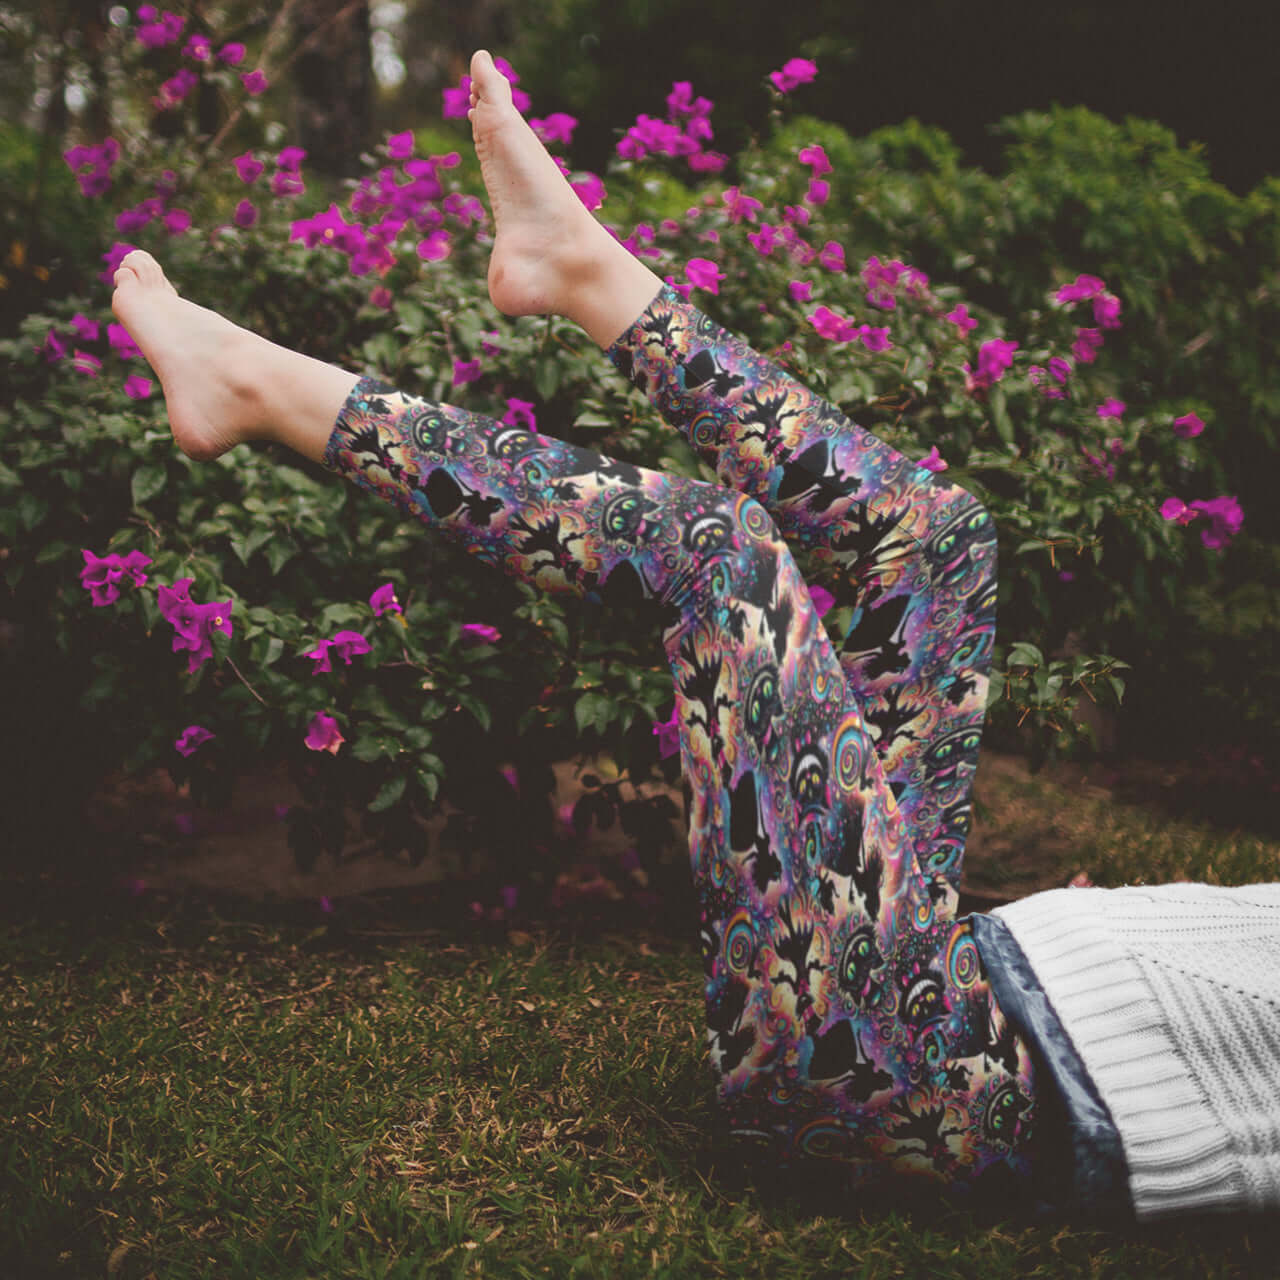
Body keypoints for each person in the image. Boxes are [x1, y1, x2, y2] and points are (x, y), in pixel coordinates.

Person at [110, 51, 1280, 1222]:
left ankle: (259, 383)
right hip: (968, 979)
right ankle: (577, 269)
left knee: (714, 548)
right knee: (931, 537)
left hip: (917, 1086)